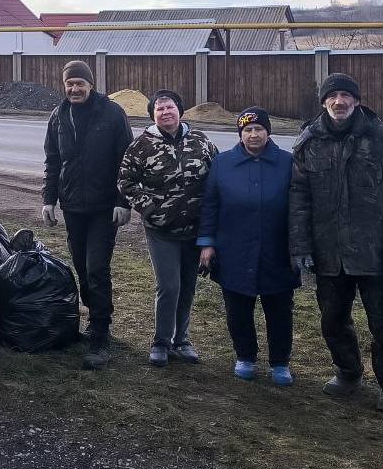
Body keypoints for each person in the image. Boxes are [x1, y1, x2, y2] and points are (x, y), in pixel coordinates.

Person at [289, 73, 383, 413]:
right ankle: (348, 372)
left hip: (376, 251)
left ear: (357, 101)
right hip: (329, 252)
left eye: (346, 96)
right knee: (332, 320)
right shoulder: (309, 141)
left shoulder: (382, 137)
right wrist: (301, 246)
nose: (339, 102)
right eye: (332, 96)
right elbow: (299, 198)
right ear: (323, 102)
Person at [197, 107, 300, 385]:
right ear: (240, 135)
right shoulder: (223, 163)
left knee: (279, 310)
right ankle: (245, 356)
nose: (253, 135)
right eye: (247, 130)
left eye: (259, 129)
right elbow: (210, 205)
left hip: (277, 250)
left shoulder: (287, 162)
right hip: (234, 249)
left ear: (268, 132)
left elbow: (300, 206)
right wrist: (206, 243)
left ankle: (280, 362)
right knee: (238, 309)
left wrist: (301, 246)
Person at [42, 60, 133, 370]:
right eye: (70, 84)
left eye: (80, 83)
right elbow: (53, 160)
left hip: (104, 208)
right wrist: (49, 200)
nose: (74, 88)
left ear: (91, 85)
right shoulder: (58, 116)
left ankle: (101, 336)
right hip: (73, 206)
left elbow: (126, 161)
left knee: (97, 268)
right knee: (81, 267)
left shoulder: (112, 113)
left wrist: (123, 202)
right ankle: (95, 320)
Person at [119, 90, 218, 367]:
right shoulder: (141, 146)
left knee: (187, 287)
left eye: (170, 107)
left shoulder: (201, 141)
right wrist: (150, 208)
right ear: (153, 115)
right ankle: (161, 342)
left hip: (194, 231)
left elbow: (217, 177)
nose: (165, 112)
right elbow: (126, 182)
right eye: (159, 109)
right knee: (169, 286)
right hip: (161, 232)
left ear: (180, 111)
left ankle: (181, 340)